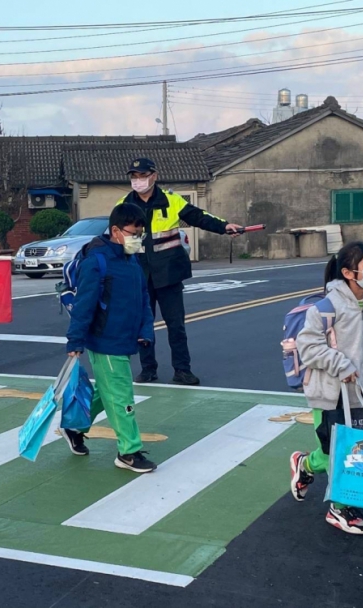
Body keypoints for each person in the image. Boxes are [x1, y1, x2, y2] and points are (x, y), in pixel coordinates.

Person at [290, 241, 363, 535]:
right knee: (340, 451)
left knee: (343, 449)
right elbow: (308, 347)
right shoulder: (326, 307)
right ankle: (339, 509)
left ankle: (305, 465)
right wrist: (341, 365)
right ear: (347, 271)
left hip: (357, 393)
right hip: (327, 393)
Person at [117, 158, 243, 386]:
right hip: (138, 274)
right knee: (142, 325)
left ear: (154, 176)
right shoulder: (124, 204)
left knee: (176, 325)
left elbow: (199, 216)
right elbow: (116, 237)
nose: (138, 180)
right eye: (134, 176)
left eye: (142, 175)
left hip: (169, 273)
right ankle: (148, 370)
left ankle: (182, 370)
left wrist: (224, 226)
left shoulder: (171, 200)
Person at [61, 203, 158, 473]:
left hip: (125, 338)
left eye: (141, 234)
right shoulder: (97, 261)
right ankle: (128, 452)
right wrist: (75, 341)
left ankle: (73, 425)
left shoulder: (132, 260)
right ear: (115, 231)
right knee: (121, 395)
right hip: (105, 340)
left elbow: (143, 300)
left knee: (108, 391)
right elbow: (84, 305)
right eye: (133, 233)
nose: (137, 239)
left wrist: (145, 331)